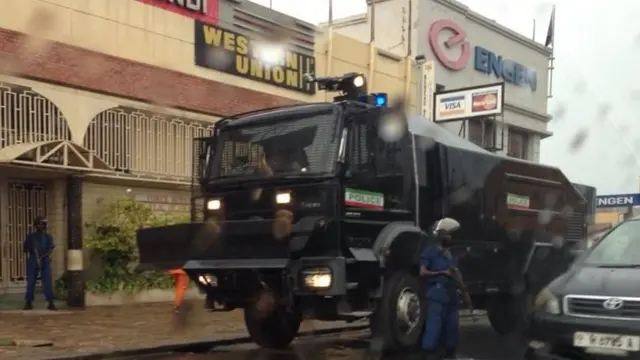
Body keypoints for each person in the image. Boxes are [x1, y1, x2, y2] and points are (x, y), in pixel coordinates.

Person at [419, 225, 468, 359]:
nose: (449, 238)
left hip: (451, 294)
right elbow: (422, 272)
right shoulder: (431, 252)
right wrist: (442, 272)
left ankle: (449, 352)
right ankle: (428, 353)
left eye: (450, 235)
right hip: (436, 294)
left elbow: (457, 274)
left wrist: (463, 292)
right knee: (434, 326)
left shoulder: (452, 254)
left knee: (452, 327)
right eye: (446, 235)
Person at [23, 216, 56, 311]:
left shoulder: (48, 237)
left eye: (43, 224)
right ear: (36, 225)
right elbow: (25, 249)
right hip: (33, 259)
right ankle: (28, 302)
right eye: (39, 224)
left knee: (47, 281)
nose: (41, 226)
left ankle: (50, 302)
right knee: (31, 281)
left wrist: (41, 257)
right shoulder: (31, 237)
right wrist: (31, 248)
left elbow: (50, 249)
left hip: (44, 259)